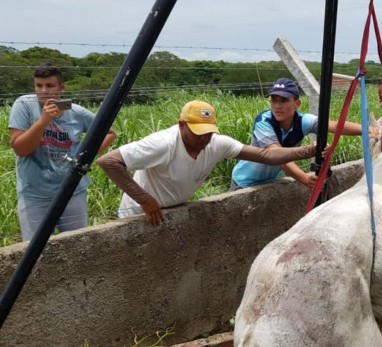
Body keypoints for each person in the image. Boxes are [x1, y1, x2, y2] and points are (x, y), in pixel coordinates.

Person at [97, 100, 319, 225]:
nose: (204, 138)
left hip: (174, 212)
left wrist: (307, 151)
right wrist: (144, 200)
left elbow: (265, 156)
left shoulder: (216, 143)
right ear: (182, 125)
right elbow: (109, 161)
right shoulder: (163, 144)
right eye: (198, 133)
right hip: (141, 216)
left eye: (208, 132)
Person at [9, 64, 117, 241]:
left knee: (76, 243)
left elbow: (109, 133)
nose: (44, 91)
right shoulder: (24, 105)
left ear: (61, 88)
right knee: (35, 248)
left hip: (72, 190)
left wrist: (83, 158)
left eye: (50, 86)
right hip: (34, 193)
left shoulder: (75, 112)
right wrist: (43, 121)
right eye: (39, 85)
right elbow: (21, 149)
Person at [230, 78, 362, 190]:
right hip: (244, 182)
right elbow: (276, 155)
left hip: (270, 181)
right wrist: (304, 178)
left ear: (297, 104)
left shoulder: (303, 121)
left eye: (284, 100)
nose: (277, 106)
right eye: (274, 100)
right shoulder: (264, 121)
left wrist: (367, 131)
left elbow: (334, 126)